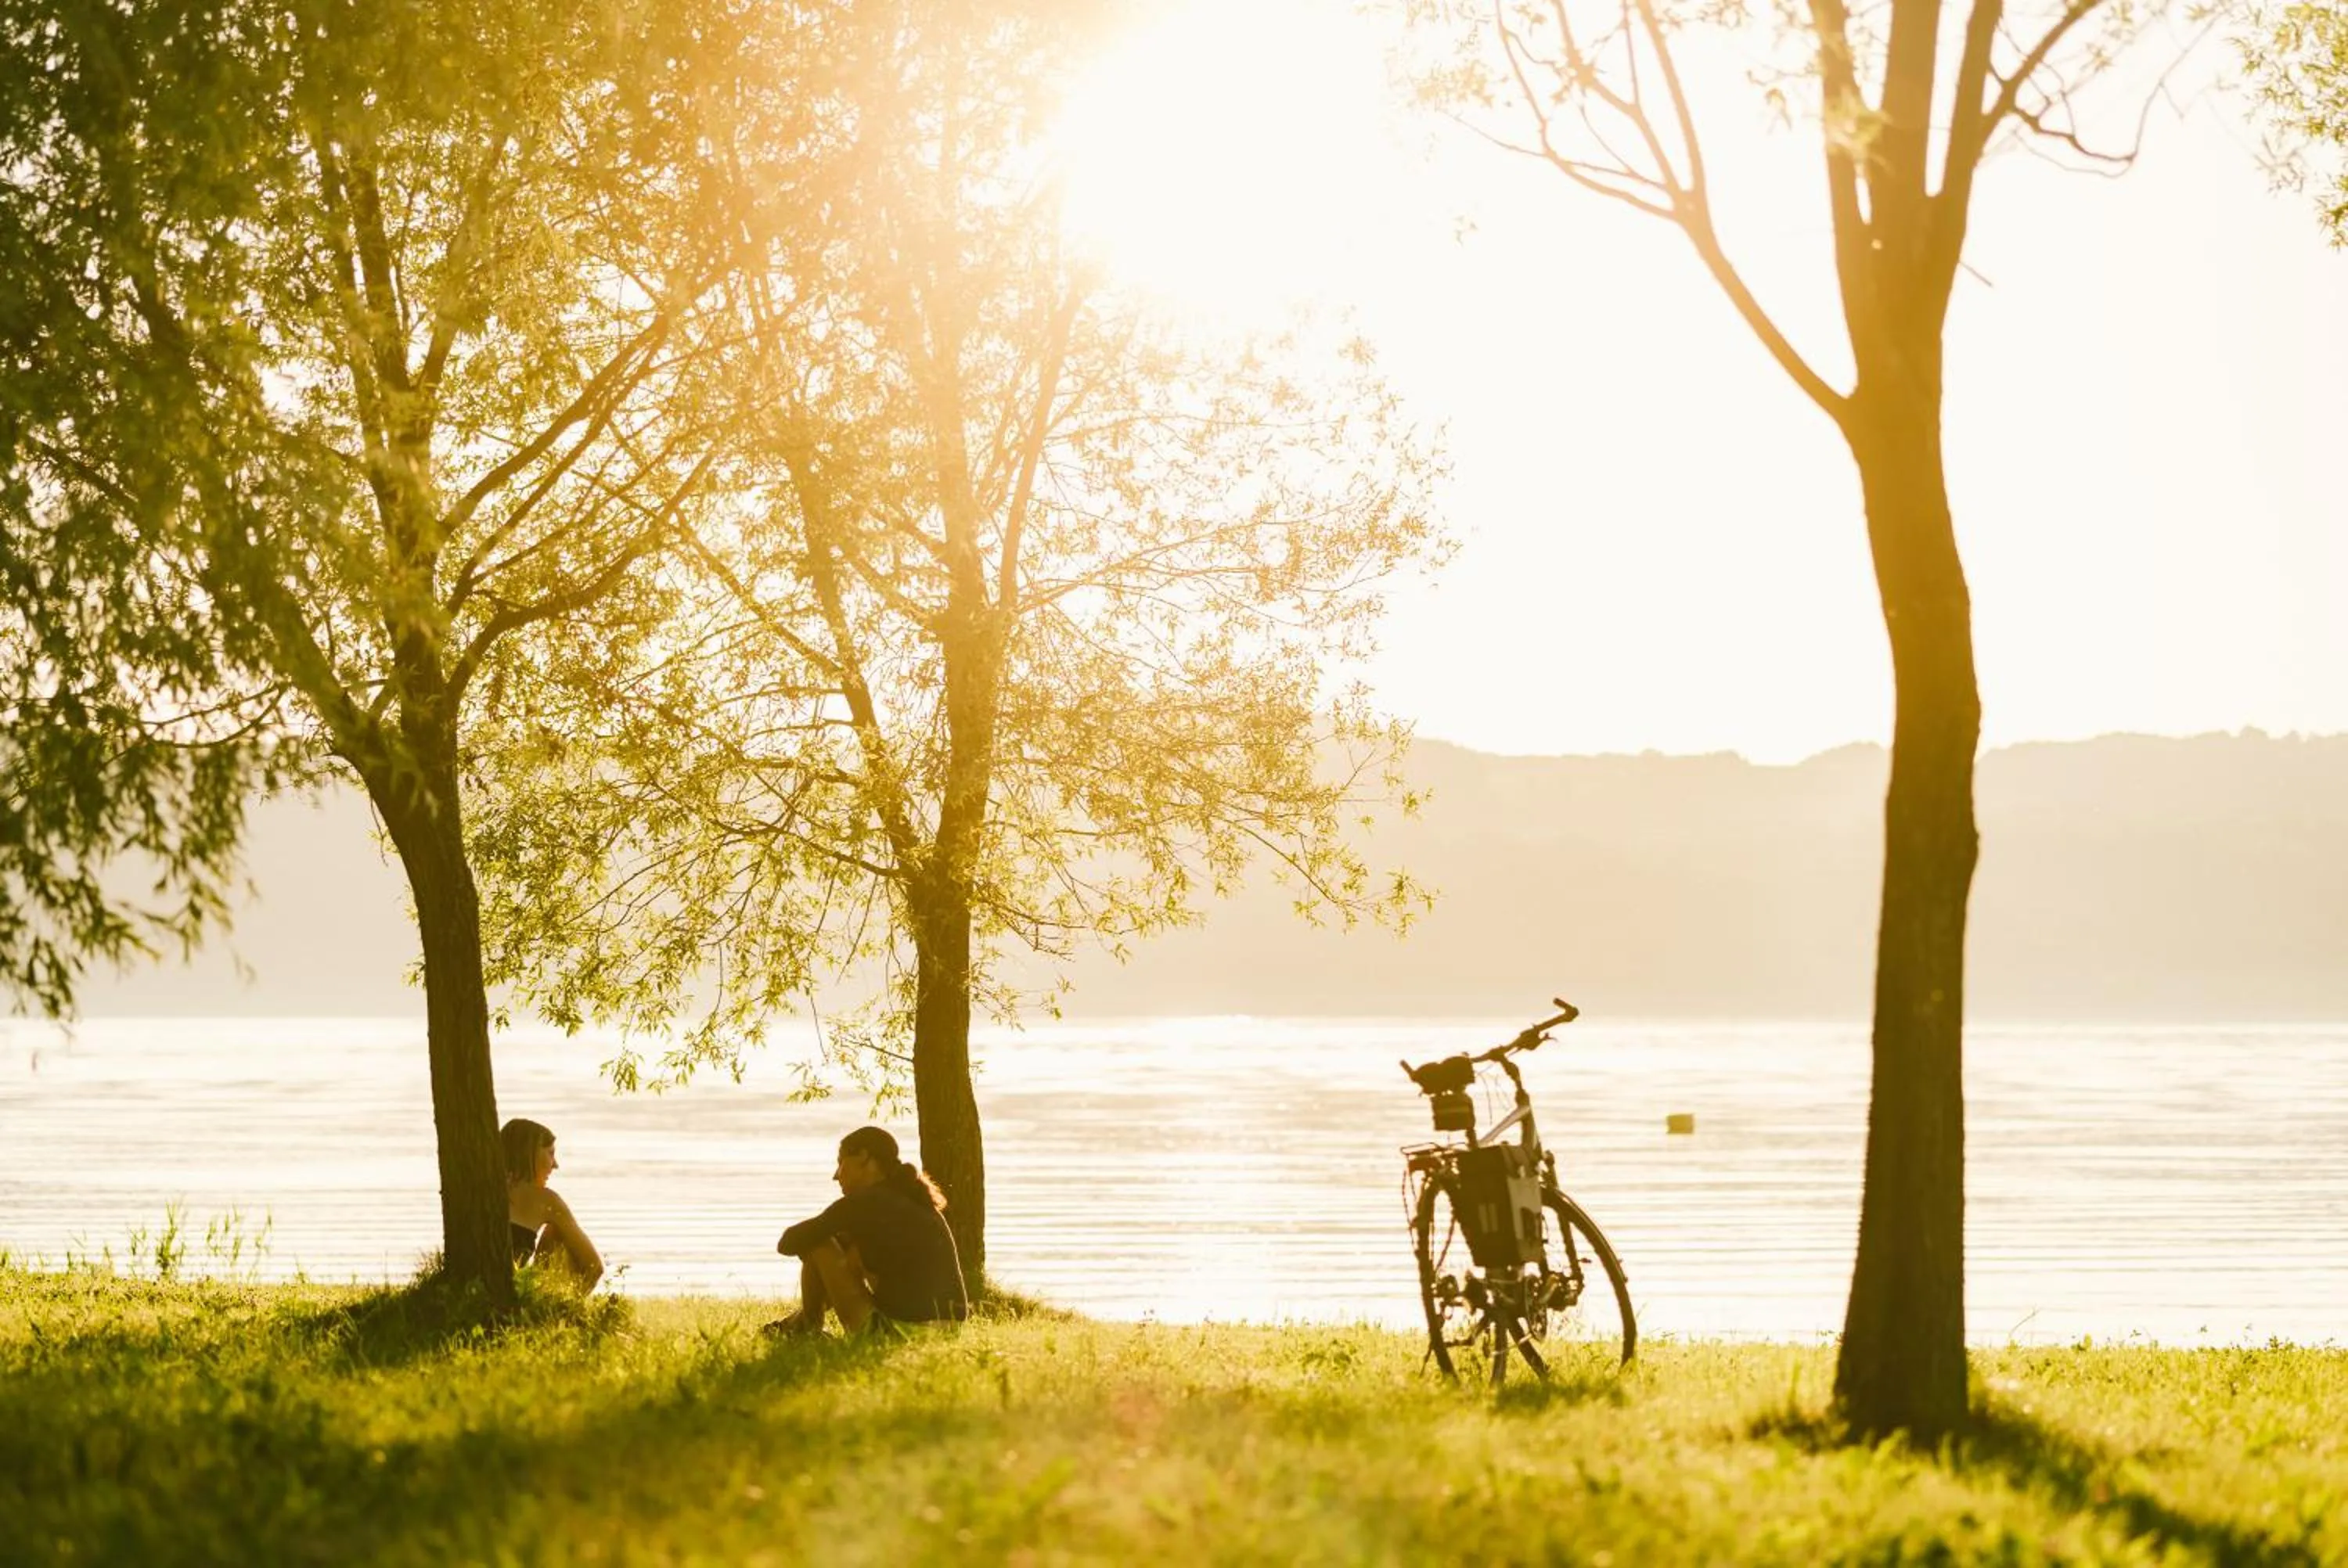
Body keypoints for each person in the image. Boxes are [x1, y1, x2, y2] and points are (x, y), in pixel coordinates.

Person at [770, 1125, 968, 1335]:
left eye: (841, 1162)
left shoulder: (864, 1202)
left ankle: (807, 1329)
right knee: (848, 1248)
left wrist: (831, 1241)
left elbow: (788, 1242)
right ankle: (798, 1324)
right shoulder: (913, 1198)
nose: (836, 1176)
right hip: (949, 1332)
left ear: (864, 1157)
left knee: (820, 1243)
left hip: (902, 1333)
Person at [502, 1117, 604, 1291]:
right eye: (550, 1153)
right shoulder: (547, 1200)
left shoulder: (482, 1190)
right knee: (557, 1232)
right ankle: (551, 1305)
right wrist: (566, 1309)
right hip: (509, 1299)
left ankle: (539, 1295)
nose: (555, 1165)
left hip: (470, 1294)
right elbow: (594, 1267)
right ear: (530, 1153)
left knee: (553, 1231)